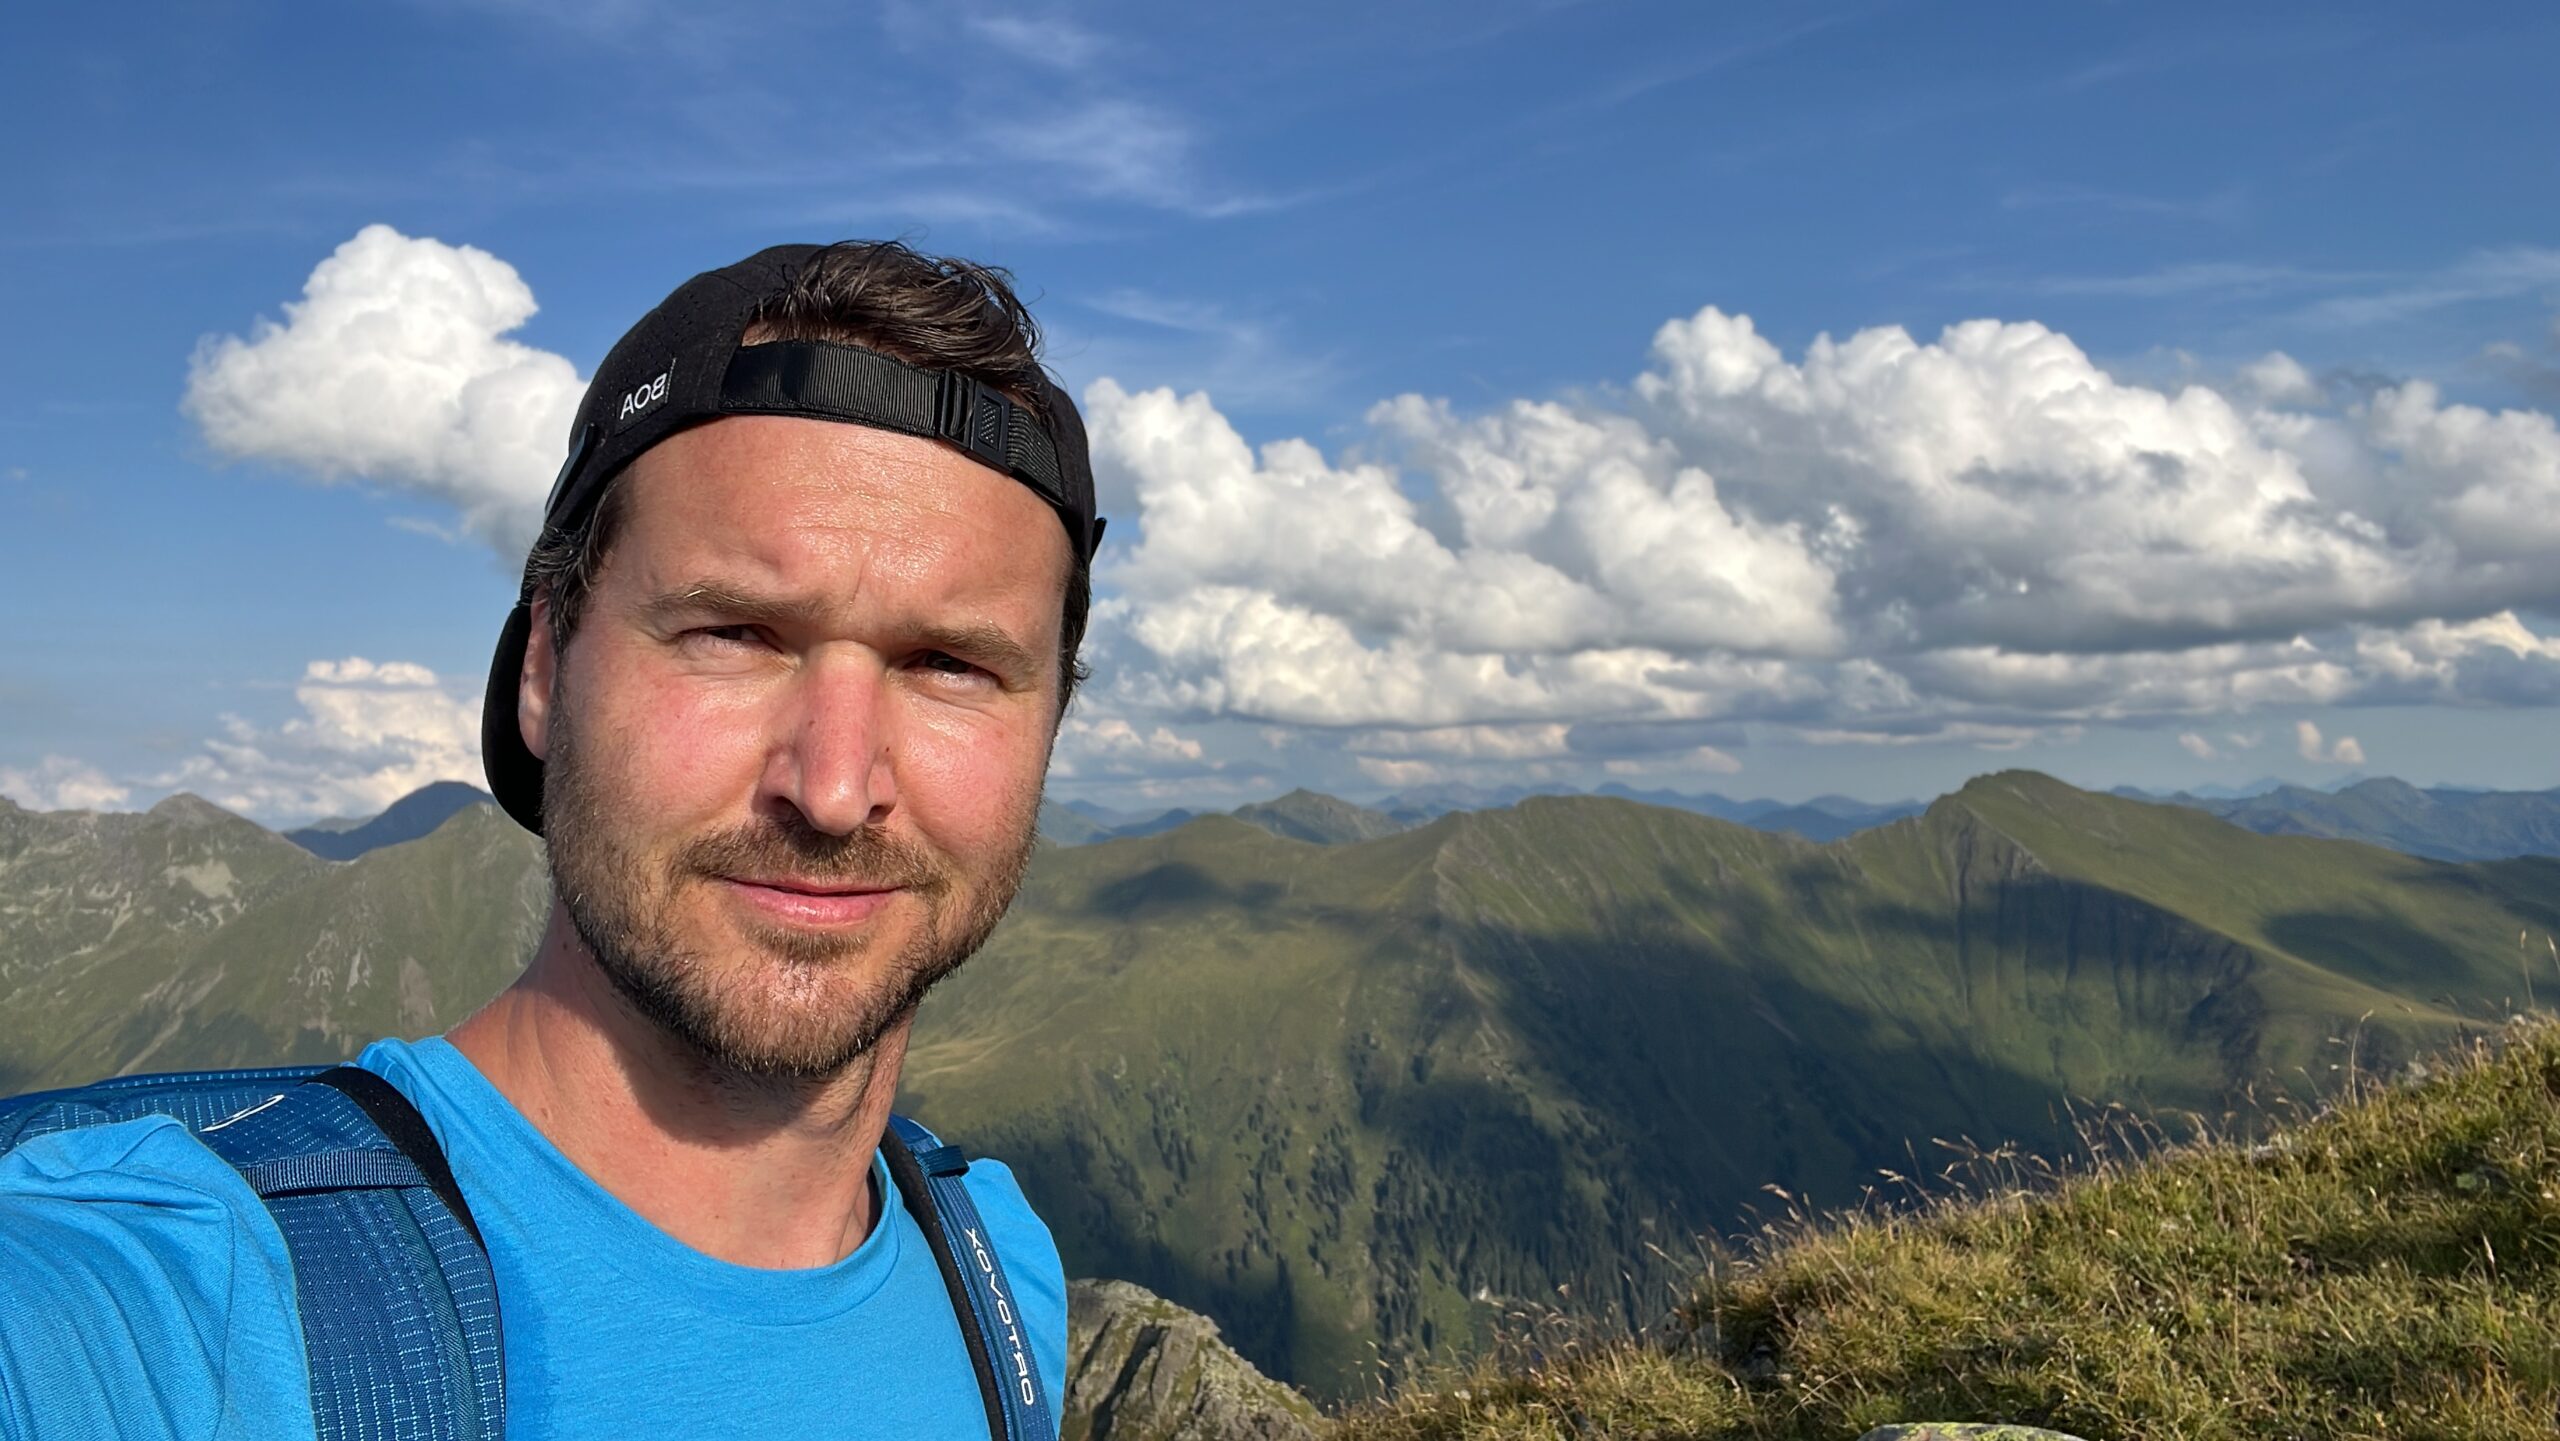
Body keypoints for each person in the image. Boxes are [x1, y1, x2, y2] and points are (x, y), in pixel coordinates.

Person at [0, 241, 1104, 1439]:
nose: (834, 788)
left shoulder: (995, 1274)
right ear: (541, 668)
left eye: (952, 665)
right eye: (732, 632)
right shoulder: (172, 1298)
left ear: (1049, 721)